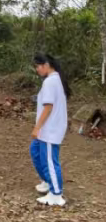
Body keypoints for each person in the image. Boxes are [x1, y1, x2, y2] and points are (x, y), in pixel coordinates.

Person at [30, 53, 70, 206]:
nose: (37, 70)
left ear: (46, 65)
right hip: (50, 127)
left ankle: (56, 194)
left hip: (49, 129)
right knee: (35, 151)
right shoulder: (55, 79)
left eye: (38, 66)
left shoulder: (50, 82)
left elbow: (48, 106)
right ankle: (48, 181)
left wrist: (37, 127)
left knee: (50, 161)